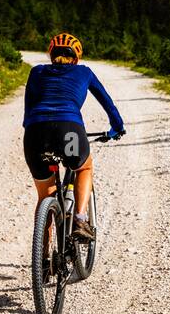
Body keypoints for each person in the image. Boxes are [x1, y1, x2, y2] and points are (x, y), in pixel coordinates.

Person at [22, 33, 125, 241]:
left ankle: (43, 261)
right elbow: (107, 103)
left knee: (45, 196)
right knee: (83, 167)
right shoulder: (83, 72)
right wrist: (117, 127)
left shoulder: (36, 72)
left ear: (51, 55)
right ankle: (80, 219)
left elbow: (28, 108)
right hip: (68, 131)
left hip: (35, 133)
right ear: (76, 58)